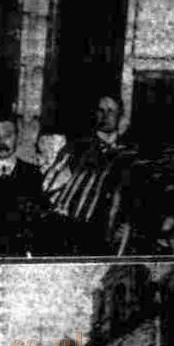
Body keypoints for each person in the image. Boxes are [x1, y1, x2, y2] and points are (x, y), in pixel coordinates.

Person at [54, 94, 138, 255]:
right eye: (101, 110)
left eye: (111, 111)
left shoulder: (129, 155)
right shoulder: (77, 149)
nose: (105, 116)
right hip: (73, 230)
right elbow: (55, 188)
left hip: (108, 235)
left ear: (120, 115)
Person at [0, 115, 43, 256]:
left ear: (17, 138)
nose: (1, 141)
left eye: (7, 135)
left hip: (21, 259)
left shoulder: (34, 175)